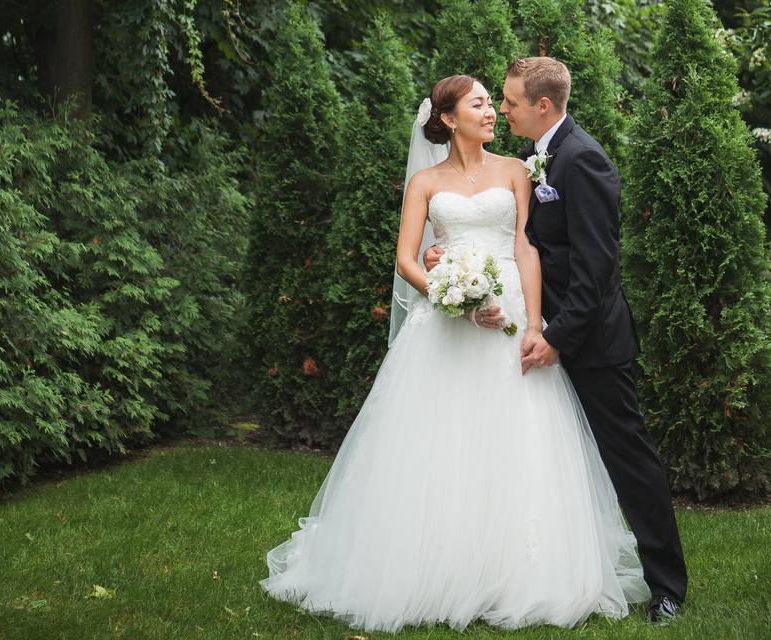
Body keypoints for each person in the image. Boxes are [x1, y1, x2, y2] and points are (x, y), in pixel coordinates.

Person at [259, 73, 651, 634]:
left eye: (497, 103)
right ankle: (431, 565)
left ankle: (512, 572)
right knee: (438, 443)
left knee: (515, 439)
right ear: (448, 118)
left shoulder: (517, 170)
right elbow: (408, 260)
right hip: (445, 325)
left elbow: (527, 246)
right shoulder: (423, 182)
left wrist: (533, 323)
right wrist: (453, 299)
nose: (492, 111)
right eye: (480, 103)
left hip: (511, 314)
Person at [425, 57, 688, 625]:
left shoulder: (583, 158)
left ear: (542, 105)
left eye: (511, 101)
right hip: (529, 324)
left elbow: (598, 267)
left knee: (628, 458)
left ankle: (667, 585)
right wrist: (442, 258)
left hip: (588, 338)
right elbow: (521, 241)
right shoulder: (529, 160)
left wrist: (557, 336)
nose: (504, 108)